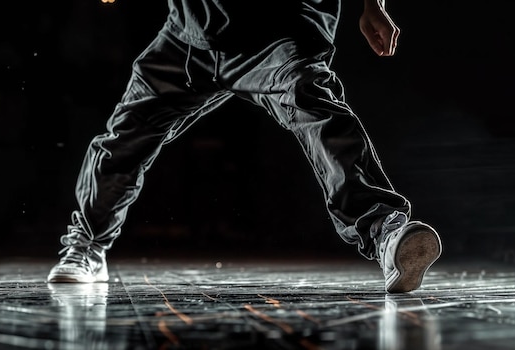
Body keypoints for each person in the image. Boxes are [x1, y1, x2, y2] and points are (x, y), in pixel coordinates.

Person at [47, 0, 442, 293]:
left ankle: (385, 234)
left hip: (277, 33)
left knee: (315, 106)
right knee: (126, 134)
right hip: (191, 33)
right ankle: (88, 243)